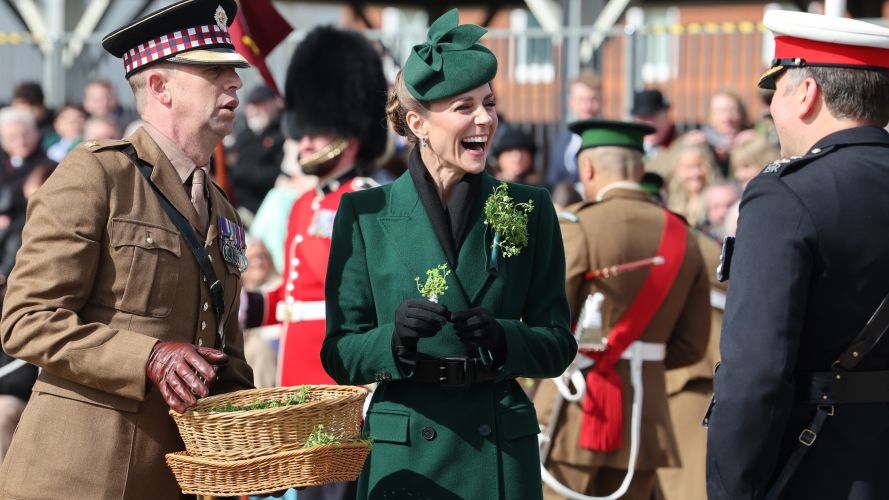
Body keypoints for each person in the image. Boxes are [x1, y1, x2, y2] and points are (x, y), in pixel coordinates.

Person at [0, 1, 255, 497]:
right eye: (213, 70)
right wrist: (150, 357)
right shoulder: (98, 175)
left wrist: (253, 422)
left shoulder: (222, 209)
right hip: (81, 475)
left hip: (177, 478)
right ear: (160, 87)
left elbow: (226, 351)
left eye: (232, 71)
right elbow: (26, 319)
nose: (235, 83)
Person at [321, 9, 575, 499]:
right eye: (464, 107)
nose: (485, 119)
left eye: (489, 103)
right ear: (418, 122)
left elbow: (558, 344)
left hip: (498, 448)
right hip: (407, 450)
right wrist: (393, 340)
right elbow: (338, 352)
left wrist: (504, 338)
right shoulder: (364, 213)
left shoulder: (530, 208)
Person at [706, 10, 889, 500]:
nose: (771, 110)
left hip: (819, 468)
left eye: (778, 91)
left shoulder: (785, 195)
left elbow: (754, 376)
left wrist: (732, 489)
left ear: (808, 94)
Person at [241, 25, 388, 500]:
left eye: (312, 132)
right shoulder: (305, 204)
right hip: (295, 366)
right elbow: (294, 291)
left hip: (336, 369)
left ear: (347, 133)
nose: (302, 144)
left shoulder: (364, 197)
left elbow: (362, 287)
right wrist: (253, 307)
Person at [534, 120, 711, 500]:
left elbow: (544, 325)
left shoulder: (578, 225)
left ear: (588, 169)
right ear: (639, 168)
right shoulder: (684, 236)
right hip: (644, 418)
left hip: (574, 415)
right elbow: (691, 347)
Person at [227, 84, 285, 220]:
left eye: (261, 104)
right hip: (236, 204)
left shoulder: (281, 135)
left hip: (264, 211)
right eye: (252, 105)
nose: (255, 110)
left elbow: (275, 175)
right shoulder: (244, 135)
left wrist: (237, 168)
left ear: (274, 104)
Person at [546, 70, 603, 187]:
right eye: (581, 100)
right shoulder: (562, 139)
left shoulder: (609, 137)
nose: (587, 106)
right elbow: (552, 179)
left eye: (593, 99)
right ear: (571, 102)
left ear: (601, 100)